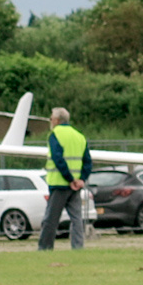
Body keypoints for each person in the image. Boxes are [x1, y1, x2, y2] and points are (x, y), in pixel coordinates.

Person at [36, 106, 91, 251]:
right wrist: (81, 179)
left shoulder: (55, 135)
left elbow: (57, 158)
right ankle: (78, 247)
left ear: (57, 120)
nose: (50, 121)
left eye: (51, 118)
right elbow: (88, 161)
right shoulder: (79, 136)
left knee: (51, 219)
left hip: (60, 184)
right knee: (76, 219)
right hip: (76, 186)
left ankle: (45, 248)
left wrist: (69, 178)